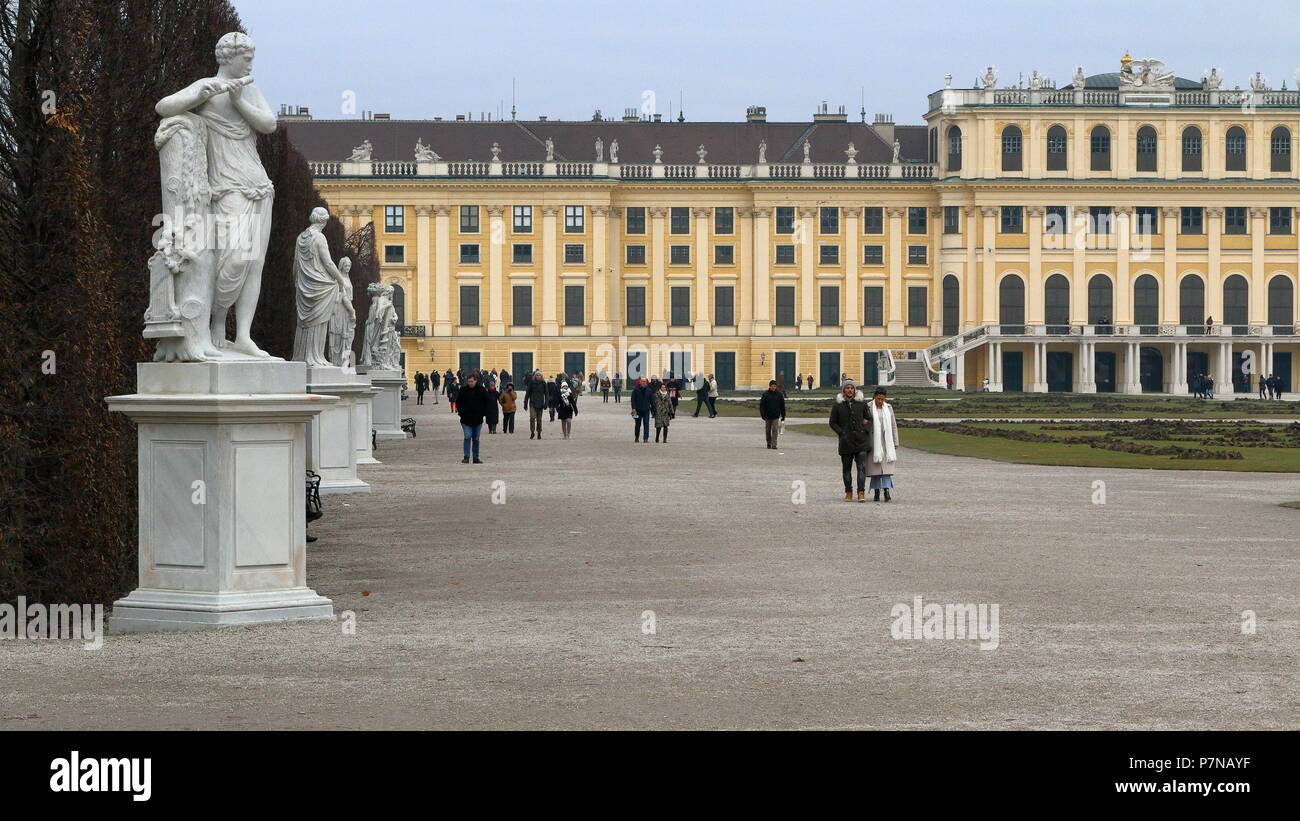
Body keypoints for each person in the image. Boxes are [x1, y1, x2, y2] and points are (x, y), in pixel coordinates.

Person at [828, 380, 871, 502]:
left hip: (861, 441)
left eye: (852, 388)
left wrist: (865, 429)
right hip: (846, 442)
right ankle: (848, 491)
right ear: (843, 390)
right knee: (846, 469)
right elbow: (832, 422)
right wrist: (841, 433)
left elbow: (869, 419)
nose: (850, 390)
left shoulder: (861, 404)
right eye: (847, 388)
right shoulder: (838, 405)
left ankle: (861, 492)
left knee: (861, 468)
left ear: (855, 390)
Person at [866, 387, 898, 501]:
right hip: (873, 441)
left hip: (886, 441)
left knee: (886, 470)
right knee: (876, 469)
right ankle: (876, 492)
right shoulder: (868, 407)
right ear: (874, 397)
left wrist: (895, 441)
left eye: (882, 399)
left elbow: (893, 425)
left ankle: (886, 491)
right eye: (878, 399)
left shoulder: (888, 408)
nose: (880, 401)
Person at [456, 373, 489, 464]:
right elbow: (458, 402)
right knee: (467, 436)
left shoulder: (481, 390)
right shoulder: (463, 390)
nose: (470, 383)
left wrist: (483, 413)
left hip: (478, 419)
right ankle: (466, 457)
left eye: (472, 381)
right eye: (469, 381)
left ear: (475, 381)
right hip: (466, 419)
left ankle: (476, 457)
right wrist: (461, 413)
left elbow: (487, 402)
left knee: (476, 438)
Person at [759, 379, 786, 449]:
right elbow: (762, 405)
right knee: (768, 430)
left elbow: (782, 406)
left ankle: (774, 444)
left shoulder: (779, 394)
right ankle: (768, 442)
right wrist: (762, 414)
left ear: (776, 387)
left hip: (776, 415)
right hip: (767, 415)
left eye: (775, 386)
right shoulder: (765, 394)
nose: (773, 387)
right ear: (770, 386)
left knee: (775, 429)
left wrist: (783, 416)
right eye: (772, 386)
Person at [524, 369, 547, 439]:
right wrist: (525, 402)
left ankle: (539, 432)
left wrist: (546, 403)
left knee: (539, 420)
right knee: (532, 418)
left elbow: (547, 394)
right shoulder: (531, 383)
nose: (538, 376)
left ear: (541, 376)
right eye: (537, 375)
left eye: (539, 375)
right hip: (533, 403)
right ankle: (532, 432)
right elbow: (527, 393)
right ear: (535, 376)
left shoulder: (543, 383)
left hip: (540, 404)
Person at [631, 377, 653, 443]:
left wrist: (653, 410)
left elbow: (652, 401)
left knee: (646, 424)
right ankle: (637, 437)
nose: (643, 382)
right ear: (640, 382)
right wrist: (633, 408)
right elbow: (633, 400)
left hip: (646, 410)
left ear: (646, 382)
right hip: (637, 410)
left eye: (644, 381)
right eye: (642, 381)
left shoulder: (649, 390)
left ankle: (645, 438)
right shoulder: (636, 390)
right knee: (637, 424)